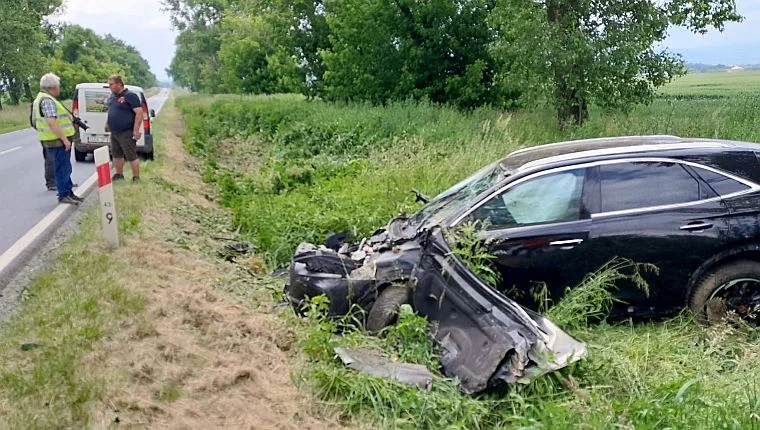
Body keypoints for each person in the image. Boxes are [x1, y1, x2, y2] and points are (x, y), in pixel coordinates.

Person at [31, 73, 83, 205]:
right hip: (56, 141)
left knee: (65, 167)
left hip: (54, 140)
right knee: (62, 168)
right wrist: (65, 139)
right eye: (59, 86)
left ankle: (69, 192)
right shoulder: (47, 100)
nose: (60, 89)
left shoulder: (43, 98)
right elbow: (52, 122)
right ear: (53, 87)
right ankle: (64, 194)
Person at [105, 75, 143, 182]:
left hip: (126, 131)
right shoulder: (113, 97)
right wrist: (107, 123)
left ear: (119, 84)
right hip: (114, 131)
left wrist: (136, 130)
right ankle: (119, 174)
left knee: (131, 155)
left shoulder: (130, 96)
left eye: (111, 84)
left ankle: (136, 177)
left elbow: (139, 113)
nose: (110, 87)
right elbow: (112, 111)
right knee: (116, 154)